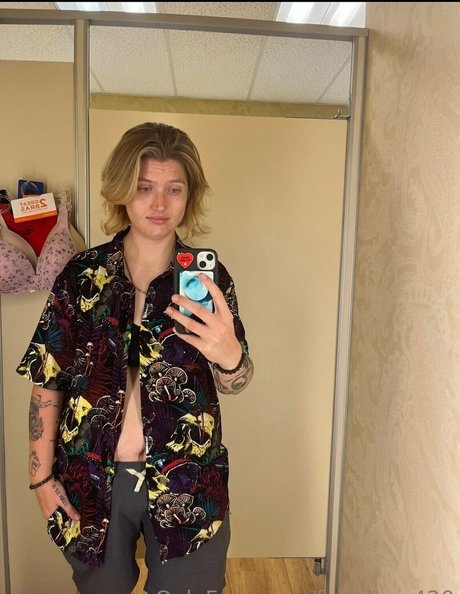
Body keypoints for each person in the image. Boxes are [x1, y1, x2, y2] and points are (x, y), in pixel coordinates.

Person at [17, 122, 254, 594]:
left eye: (174, 189)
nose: (159, 204)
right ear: (123, 190)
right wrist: (40, 479)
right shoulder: (82, 275)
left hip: (188, 482)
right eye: (145, 187)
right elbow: (47, 380)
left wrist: (230, 355)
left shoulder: (210, 282)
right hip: (92, 480)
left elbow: (236, 380)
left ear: (189, 195)